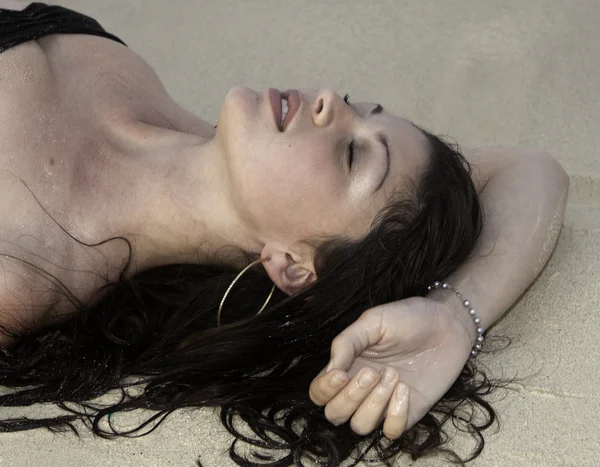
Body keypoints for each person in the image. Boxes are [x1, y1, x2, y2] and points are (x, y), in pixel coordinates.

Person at [0, 2, 569, 466]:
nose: (328, 101)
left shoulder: (23, 267)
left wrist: (448, 326)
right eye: (354, 106)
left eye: (352, 155)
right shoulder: (151, 102)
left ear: (294, 266)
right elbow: (530, 168)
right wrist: (453, 312)